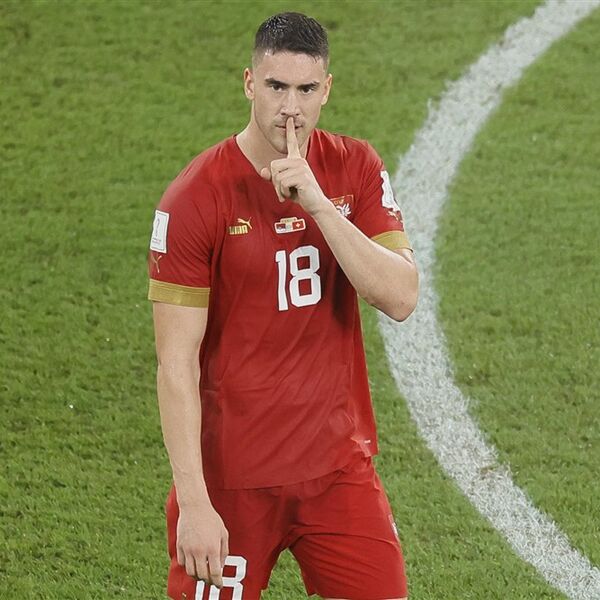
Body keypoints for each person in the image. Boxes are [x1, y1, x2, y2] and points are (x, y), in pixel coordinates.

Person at [148, 11, 418, 600]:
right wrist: (194, 501)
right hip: (233, 482)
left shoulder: (354, 168)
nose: (290, 108)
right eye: (276, 87)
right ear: (250, 83)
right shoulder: (194, 198)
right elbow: (175, 364)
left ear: (327, 89)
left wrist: (318, 204)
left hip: (337, 471)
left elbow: (400, 296)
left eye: (305, 89)